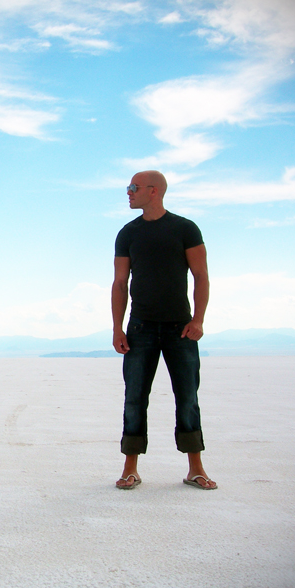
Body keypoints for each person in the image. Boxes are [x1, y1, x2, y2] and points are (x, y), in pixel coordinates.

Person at [111, 170, 217, 490]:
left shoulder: (185, 229)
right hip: (140, 328)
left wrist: (197, 320)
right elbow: (119, 283)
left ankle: (195, 469)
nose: (128, 192)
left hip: (179, 329)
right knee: (134, 398)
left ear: (153, 191)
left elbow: (201, 276)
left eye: (134, 187)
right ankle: (130, 468)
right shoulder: (128, 233)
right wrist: (118, 327)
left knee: (187, 398)